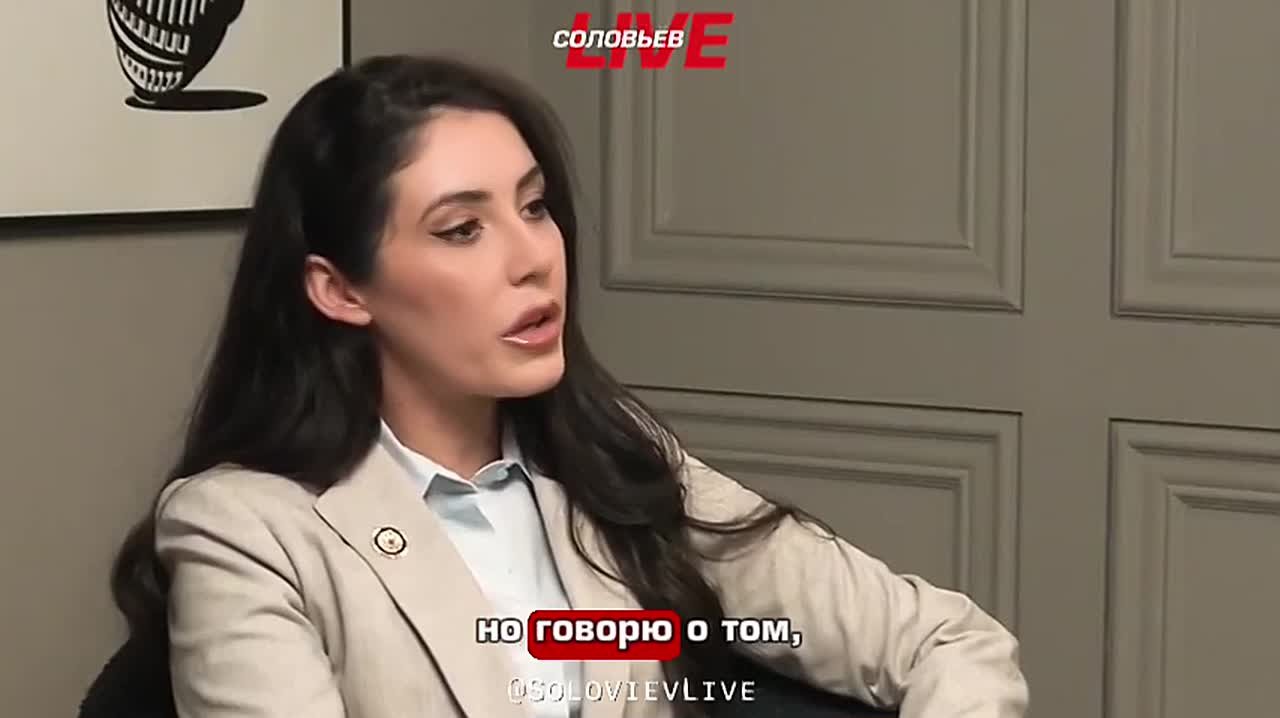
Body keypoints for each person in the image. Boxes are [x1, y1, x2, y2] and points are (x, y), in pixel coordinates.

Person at [107, 54, 1029, 718]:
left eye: (535, 205)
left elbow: (947, 642)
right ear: (340, 289)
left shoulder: (608, 452)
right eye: (462, 229)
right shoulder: (244, 528)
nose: (534, 258)